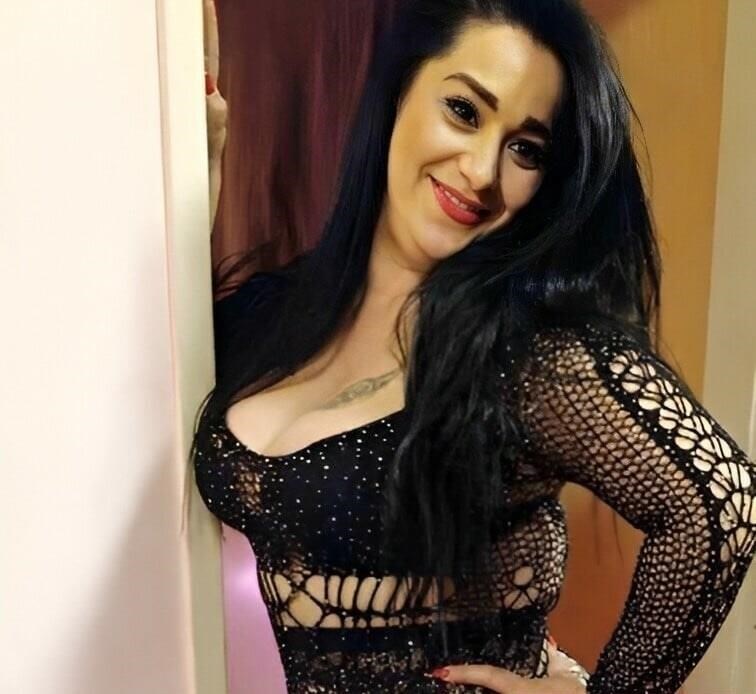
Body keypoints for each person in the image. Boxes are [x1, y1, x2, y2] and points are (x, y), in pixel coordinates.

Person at [193, 0, 756, 692]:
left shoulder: (528, 360)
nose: (483, 170)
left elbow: (721, 507)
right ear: (399, 91)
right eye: (464, 111)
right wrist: (194, 178)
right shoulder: (271, 315)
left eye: (526, 150)